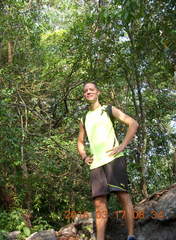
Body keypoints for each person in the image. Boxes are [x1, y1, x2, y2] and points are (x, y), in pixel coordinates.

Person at [77, 82, 139, 240]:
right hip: (96, 165)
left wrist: (123, 145)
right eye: (85, 91)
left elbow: (133, 123)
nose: (88, 92)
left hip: (114, 160)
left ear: (98, 92)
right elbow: (79, 142)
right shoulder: (84, 118)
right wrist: (84, 156)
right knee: (99, 204)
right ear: (84, 95)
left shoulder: (108, 109)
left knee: (123, 196)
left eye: (91, 90)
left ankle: (131, 235)